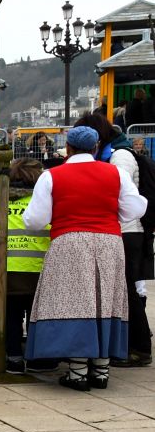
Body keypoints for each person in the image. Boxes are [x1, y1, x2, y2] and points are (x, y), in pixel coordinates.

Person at [22, 125, 146, 390]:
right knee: (106, 300)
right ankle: (101, 369)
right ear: (96, 147)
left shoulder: (51, 176)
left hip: (70, 239)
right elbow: (136, 207)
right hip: (109, 241)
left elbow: (36, 219)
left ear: (68, 148)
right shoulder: (116, 173)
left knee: (74, 301)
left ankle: (77, 371)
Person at [80, 112, 153, 368]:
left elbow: (114, 189)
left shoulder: (120, 155)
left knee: (127, 290)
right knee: (123, 289)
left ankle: (140, 347)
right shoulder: (112, 152)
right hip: (118, 229)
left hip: (128, 230)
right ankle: (132, 344)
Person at [0, 158, 50, 373]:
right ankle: (37, 359)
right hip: (35, 266)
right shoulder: (41, 197)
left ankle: (13, 358)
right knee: (36, 316)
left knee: (11, 315)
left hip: (0, 267)